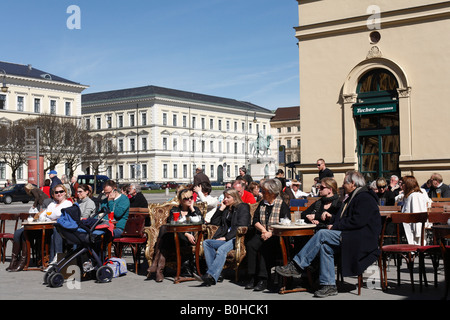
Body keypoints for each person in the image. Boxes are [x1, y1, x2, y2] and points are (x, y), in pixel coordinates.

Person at [275, 171, 381, 298]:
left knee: (322, 234)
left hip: (361, 239)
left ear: (353, 183)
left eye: (344, 183)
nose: (342, 186)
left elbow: (358, 221)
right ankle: (329, 285)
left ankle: (297, 265)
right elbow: (346, 218)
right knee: (326, 246)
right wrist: (332, 219)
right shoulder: (355, 196)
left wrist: (335, 225)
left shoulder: (364, 197)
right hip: (351, 235)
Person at [195, 189, 251, 286]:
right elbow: (214, 222)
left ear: (235, 198)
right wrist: (221, 209)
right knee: (207, 243)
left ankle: (210, 275)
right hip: (226, 237)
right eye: (225, 197)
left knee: (221, 249)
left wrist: (226, 238)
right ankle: (215, 275)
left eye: (228, 197)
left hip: (237, 238)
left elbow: (242, 225)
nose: (225, 199)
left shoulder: (243, 207)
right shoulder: (227, 209)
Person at [245, 179, 290, 291]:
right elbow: (255, 220)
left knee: (265, 247)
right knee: (251, 245)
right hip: (263, 232)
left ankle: (263, 279)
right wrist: (264, 231)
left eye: (264, 191)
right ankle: (252, 277)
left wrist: (270, 233)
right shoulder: (262, 204)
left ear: (271, 192)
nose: (262, 192)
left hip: (276, 236)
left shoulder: (281, 205)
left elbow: (285, 222)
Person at [149, 189, 203, 282]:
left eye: (191, 197)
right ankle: (159, 271)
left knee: (164, 234)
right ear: (181, 200)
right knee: (164, 230)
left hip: (187, 241)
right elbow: (172, 225)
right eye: (186, 198)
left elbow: (200, 221)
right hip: (175, 238)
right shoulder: (175, 210)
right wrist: (186, 234)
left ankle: (156, 267)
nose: (189, 200)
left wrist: (192, 208)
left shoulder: (195, 210)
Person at [401, 176, 432, 245]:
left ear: (408, 185)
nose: (401, 186)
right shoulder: (410, 195)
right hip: (408, 224)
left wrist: (418, 231)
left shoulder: (415, 196)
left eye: (403, 183)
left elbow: (417, 213)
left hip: (414, 227)